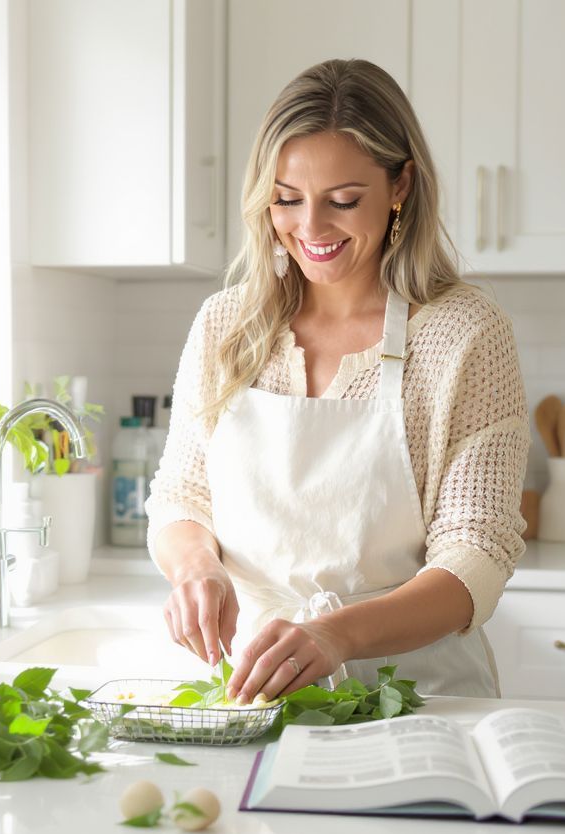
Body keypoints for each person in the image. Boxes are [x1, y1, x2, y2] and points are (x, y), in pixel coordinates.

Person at [145, 59, 529, 703]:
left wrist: (336, 636)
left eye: (343, 201)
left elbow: (477, 556)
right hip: (249, 691)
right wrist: (195, 567)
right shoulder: (226, 326)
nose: (312, 230)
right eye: (287, 200)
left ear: (401, 184)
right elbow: (182, 494)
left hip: (417, 694)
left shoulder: (464, 334)